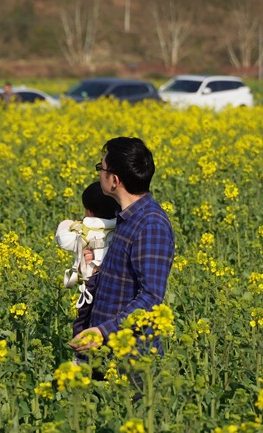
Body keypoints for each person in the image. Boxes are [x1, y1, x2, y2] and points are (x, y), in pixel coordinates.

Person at [70, 137, 175, 360]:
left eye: (101, 168)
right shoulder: (126, 217)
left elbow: (151, 298)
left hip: (131, 358)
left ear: (115, 180)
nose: (99, 174)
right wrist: (95, 272)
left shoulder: (151, 225)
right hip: (107, 351)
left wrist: (103, 332)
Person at [56, 181, 119, 364]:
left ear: (89, 211)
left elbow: (62, 239)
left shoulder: (85, 230)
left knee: (83, 322)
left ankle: (82, 360)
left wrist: (68, 223)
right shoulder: (120, 226)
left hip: (91, 287)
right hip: (113, 288)